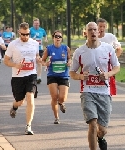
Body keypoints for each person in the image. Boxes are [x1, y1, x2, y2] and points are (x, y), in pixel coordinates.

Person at [69, 22, 120, 150]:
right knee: (92, 123)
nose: (93, 32)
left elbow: (117, 67)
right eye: (90, 30)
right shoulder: (80, 52)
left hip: (104, 91)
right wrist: (81, 76)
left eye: (95, 30)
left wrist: (108, 74)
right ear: (86, 33)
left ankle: (100, 137)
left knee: (102, 129)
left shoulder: (107, 48)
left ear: (98, 32)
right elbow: (72, 72)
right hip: (87, 91)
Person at [4, 22, 41, 135]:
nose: (25, 37)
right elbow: (6, 60)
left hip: (31, 75)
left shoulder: (34, 43)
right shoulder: (13, 45)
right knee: (20, 101)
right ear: (19, 33)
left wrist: (39, 60)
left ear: (29, 33)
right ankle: (14, 107)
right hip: (18, 76)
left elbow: (37, 56)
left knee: (30, 98)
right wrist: (15, 65)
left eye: (27, 34)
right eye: (23, 34)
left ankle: (28, 126)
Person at [42, 30, 71, 124]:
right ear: (53, 38)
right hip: (52, 75)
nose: (58, 38)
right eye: (56, 36)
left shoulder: (66, 48)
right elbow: (42, 60)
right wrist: (45, 63)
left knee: (62, 98)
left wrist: (69, 62)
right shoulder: (49, 48)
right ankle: (56, 117)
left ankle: (61, 103)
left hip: (63, 75)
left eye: (60, 37)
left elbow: (69, 58)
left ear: (62, 38)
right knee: (54, 97)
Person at [97, 18, 123, 95]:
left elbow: (119, 49)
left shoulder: (110, 37)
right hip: (97, 67)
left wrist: (113, 60)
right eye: (100, 26)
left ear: (106, 27)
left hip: (109, 68)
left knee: (108, 89)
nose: (102, 28)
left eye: (103, 26)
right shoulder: (93, 37)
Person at [30, 18, 48, 84]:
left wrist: (46, 39)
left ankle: (39, 77)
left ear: (39, 24)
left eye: (37, 23)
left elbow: (45, 35)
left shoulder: (42, 30)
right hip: (32, 49)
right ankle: (32, 76)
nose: (36, 25)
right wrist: (32, 39)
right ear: (33, 24)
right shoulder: (30, 30)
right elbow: (26, 38)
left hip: (40, 48)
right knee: (33, 63)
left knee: (39, 62)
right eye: (35, 24)